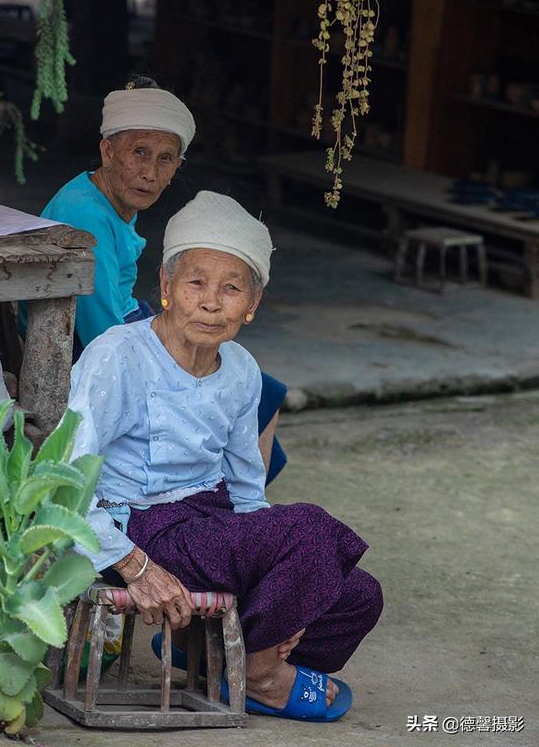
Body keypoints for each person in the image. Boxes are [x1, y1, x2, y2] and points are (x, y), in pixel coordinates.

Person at [67, 191, 383, 722]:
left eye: (231, 288)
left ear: (252, 303)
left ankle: (203, 652)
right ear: (166, 287)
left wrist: (289, 579)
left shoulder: (241, 369)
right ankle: (259, 672)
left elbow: (245, 489)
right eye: (196, 283)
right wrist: (132, 564)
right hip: (142, 527)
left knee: (358, 596)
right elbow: (67, 476)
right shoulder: (118, 356)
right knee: (310, 530)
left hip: (210, 525)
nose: (211, 303)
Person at [41, 78, 286, 482]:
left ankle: (240, 500)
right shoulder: (86, 215)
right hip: (83, 344)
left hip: (122, 320)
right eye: (139, 153)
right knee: (256, 393)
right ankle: (227, 498)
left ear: (177, 167)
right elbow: (101, 330)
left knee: (255, 386)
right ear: (108, 151)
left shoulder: (109, 199)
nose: (150, 173)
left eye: (165, 159)